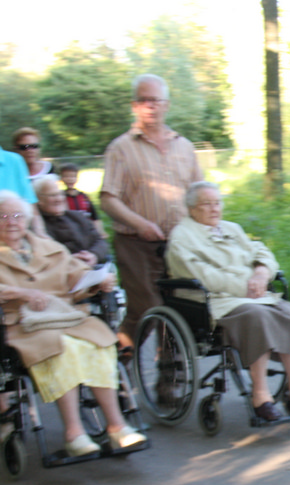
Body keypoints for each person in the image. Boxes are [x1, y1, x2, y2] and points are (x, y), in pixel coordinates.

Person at [0, 190, 146, 456]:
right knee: (62, 347)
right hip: (23, 324)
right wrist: (21, 293)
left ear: (28, 219)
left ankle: (117, 427)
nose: (12, 222)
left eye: (17, 215)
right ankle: (74, 433)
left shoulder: (50, 248)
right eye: (3, 216)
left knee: (98, 344)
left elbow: (76, 277)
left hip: (66, 316)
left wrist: (98, 281)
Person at [165, 181, 290, 421]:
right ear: (192, 209)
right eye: (206, 204)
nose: (214, 208)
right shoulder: (181, 237)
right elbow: (203, 276)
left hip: (252, 293)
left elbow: (261, 251)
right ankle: (260, 396)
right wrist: (246, 287)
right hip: (213, 300)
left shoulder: (231, 228)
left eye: (217, 203)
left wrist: (261, 273)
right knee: (256, 316)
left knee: (287, 311)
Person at [100, 73, 204, 351]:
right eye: (143, 100)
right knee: (148, 308)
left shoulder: (185, 147)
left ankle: (170, 375)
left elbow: (200, 195)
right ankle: (118, 366)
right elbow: (108, 199)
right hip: (136, 245)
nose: (150, 106)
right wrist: (140, 224)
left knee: (179, 308)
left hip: (179, 244)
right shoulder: (120, 149)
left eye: (156, 100)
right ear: (134, 106)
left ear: (166, 104)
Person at [32, 175, 109, 267]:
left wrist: (93, 255)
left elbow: (100, 241)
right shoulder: (37, 227)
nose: (59, 199)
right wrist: (69, 260)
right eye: (53, 195)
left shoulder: (77, 217)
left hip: (91, 267)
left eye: (61, 194)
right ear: (38, 199)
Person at [58, 163, 105, 237]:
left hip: (86, 230)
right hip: (69, 232)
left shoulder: (84, 197)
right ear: (61, 178)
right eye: (66, 176)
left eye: (73, 176)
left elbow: (94, 216)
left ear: (77, 178)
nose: (70, 179)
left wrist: (100, 231)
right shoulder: (60, 197)